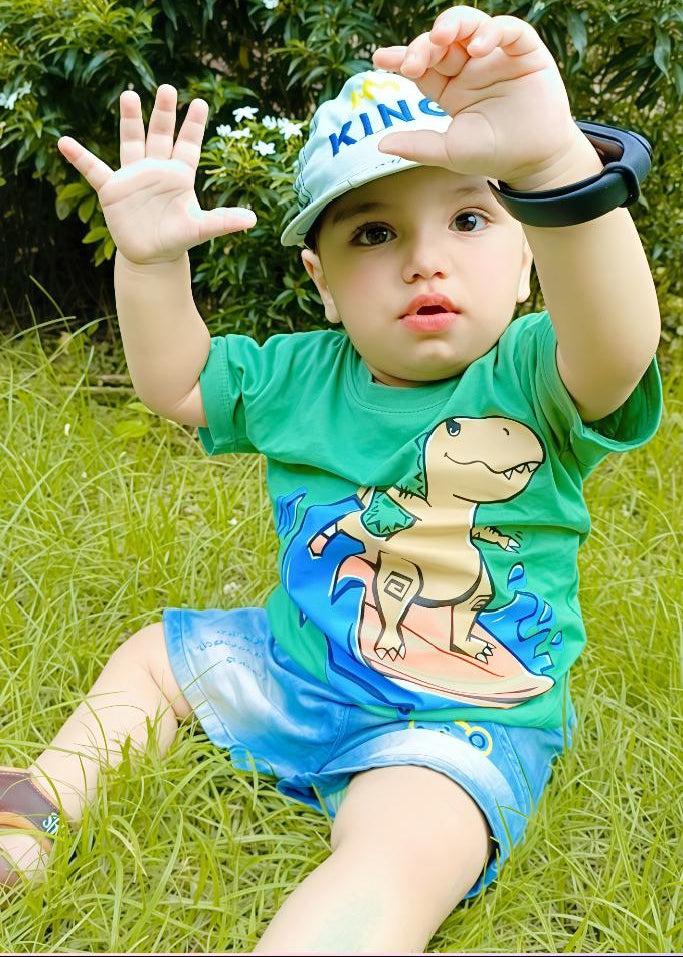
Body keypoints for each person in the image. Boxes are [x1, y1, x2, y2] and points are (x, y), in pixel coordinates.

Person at [1, 6, 662, 953]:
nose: (423, 257)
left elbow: (618, 343)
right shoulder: (304, 372)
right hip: (293, 664)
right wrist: (152, 263)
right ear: (322, 280)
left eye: (470, 218)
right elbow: (177, 379)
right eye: (372, 234)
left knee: (396, 846)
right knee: (155, 655)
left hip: (451, 720)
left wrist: (553, 168)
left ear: (527, 259)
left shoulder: (535, 372)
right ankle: (36, 813)